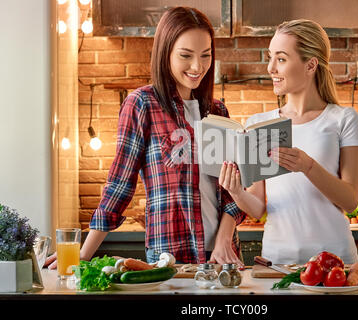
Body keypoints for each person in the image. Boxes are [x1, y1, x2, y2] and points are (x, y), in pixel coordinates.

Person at [46, 7, 245, 269]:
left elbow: (232, 191)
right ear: (165, 54)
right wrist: (82, 254)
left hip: (223, 257)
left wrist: (223, 240)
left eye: (206, 55)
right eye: (186, 55)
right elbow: (120, 186)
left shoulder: (217, 111)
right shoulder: (142, 104)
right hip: (169, 257)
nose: (198, 66)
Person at [219, 19, 358, 265]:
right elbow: (257, 208)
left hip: (334, 261)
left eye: (281, 59)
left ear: (310, 65)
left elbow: (351, 201)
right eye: (270, 57)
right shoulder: (260, 123)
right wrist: (235, 191)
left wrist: (308, 166)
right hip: (277, 261)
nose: (270, 68)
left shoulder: (343, 119)